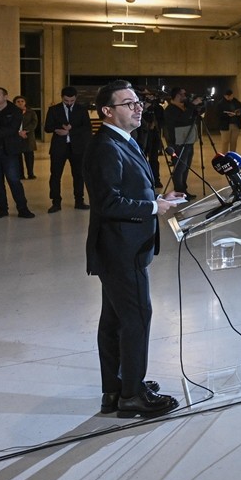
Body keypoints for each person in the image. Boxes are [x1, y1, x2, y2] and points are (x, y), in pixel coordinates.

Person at [84, 79, 184, 419]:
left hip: (122, 249)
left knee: (114, 322)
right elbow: (107, 201)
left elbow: (127, 191)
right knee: (137, 318)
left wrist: (157, 199)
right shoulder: (105, 147)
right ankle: (132, 396)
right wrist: (153, 208)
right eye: (128, 103)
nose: (137, 107)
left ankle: (115, 390)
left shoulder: (122, 141)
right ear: (107, 111)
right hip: (120, 251)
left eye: (138, 101)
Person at [0, 87, 36, 218]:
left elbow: (11, 129)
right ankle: (2, 209)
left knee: (14, 180)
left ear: (5, 96)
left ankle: (23, 209)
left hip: (9, 152)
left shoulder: (15, 111)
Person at [44, 85, 92, 212]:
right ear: (62, 98)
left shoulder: (81, 109)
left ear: (76, 98)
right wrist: (58, 128)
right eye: (66, 101)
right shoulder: (53, 109)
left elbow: (87, 128)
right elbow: (47, 127)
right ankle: (56, 202)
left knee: (78, 175)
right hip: (58, 147)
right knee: (55, 175)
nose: (69, 103)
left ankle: (79, 201)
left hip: (77, 148)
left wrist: (71, 131)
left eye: (72, 101)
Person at [162, 88, 199, 198]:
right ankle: (179, 191)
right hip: (177, 142)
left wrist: (196, 106)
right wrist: (192, 106)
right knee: (180, 167)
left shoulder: (185, 106)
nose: (185, 96)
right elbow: (183, 119)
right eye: (183, 94)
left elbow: (192, 117)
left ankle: (183, 190)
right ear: (177, 95)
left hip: (188, 140)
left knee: (186, 167)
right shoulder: (170, 109)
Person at [213, 88, 241, 154]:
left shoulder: (236, 102)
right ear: (224, 96)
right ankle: (224, 156)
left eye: (229, 96)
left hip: (235, 124)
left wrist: (240, 113)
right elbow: (218, 114)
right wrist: (227, 115)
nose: (228, 97)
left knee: (234, 141)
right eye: (227, 96)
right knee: (225, 142)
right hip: (225, 125)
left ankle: (232, 156)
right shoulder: (221, 103)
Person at [14, 95, 37, 179]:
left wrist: (25, 130)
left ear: (25, 102)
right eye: (18, 101)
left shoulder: (31, 112)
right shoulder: (13, 112)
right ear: (15, 103)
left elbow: (34, 123)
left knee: (29, 156)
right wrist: (18, 132)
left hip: (28, 136)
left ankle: (30, 173)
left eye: (22, 101)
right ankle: (21, 174)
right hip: (17, 136)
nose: (20, 103)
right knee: (18, 157)